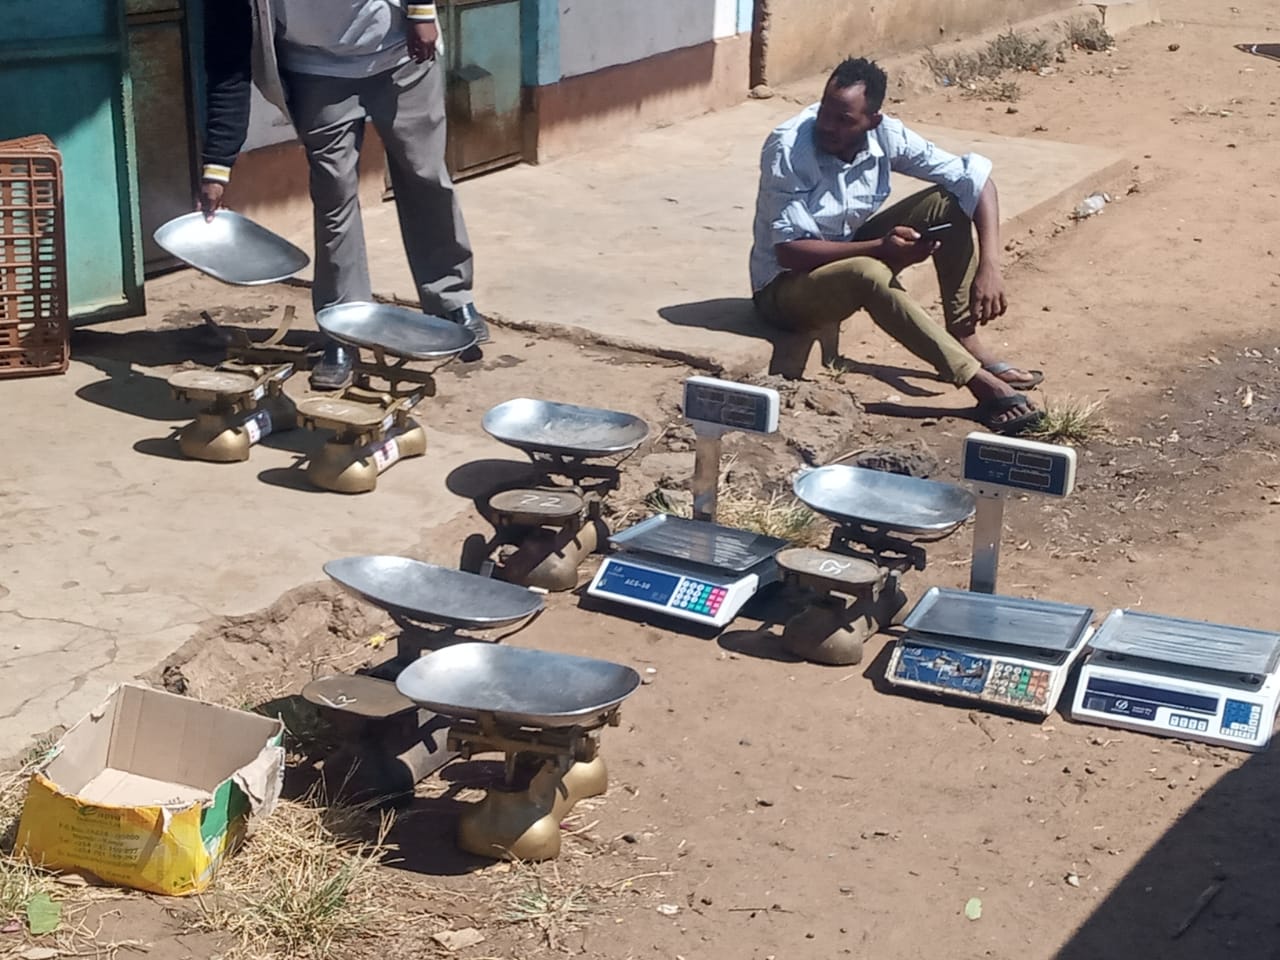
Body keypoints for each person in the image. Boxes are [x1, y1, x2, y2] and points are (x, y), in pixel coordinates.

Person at [200, 0, 489, 390]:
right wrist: (217, 164)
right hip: (315, 70)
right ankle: (342, 330)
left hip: (399, 49)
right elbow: (228, 61)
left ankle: (450, 301)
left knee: (424, 177)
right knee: (333, 196)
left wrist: (421, 11)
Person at [749, 57, 1043, 435]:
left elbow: (975, 181)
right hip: (784, 291)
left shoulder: (886, 134)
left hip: (842, 252)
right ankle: (979, 383)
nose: (828, 126)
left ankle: (965, 338)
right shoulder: (788, 148)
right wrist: (880, 249)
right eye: (825, 111)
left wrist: (991, 265)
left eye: (844, 119)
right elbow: (789, 251)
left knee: (948, 203)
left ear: (872, 120)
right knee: (867, 270)